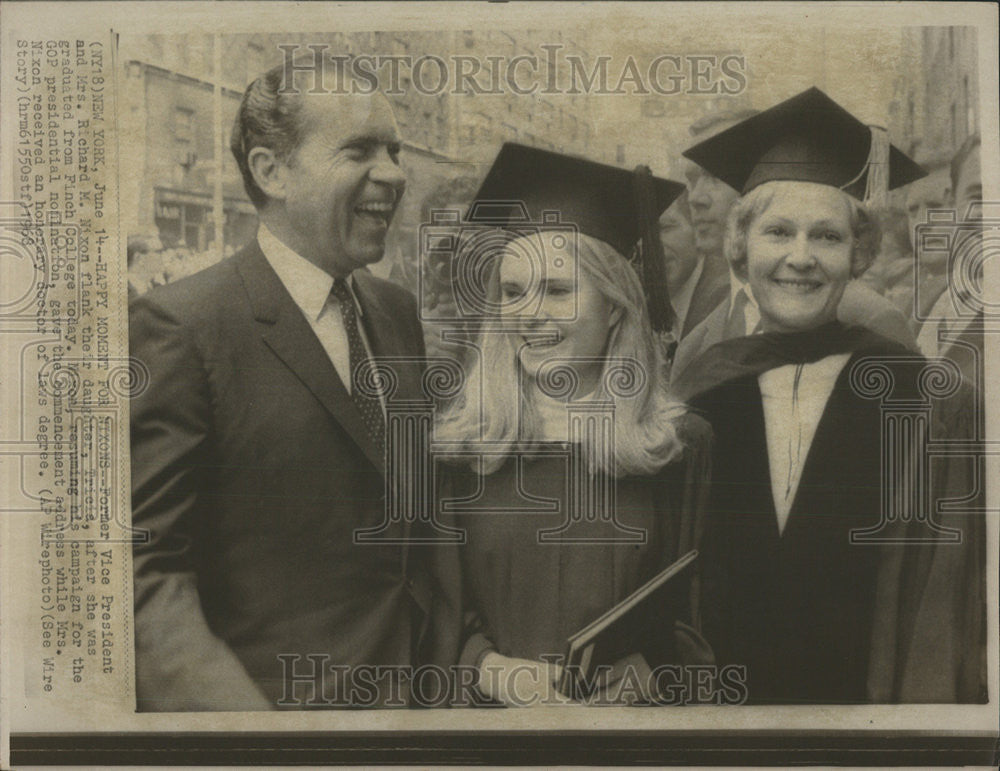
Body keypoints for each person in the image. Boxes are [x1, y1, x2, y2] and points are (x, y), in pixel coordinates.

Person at [130, 58, 434, 710]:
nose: (394, 172)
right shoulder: (182, 327)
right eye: (359, 149)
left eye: (396, 150)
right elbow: (141, 573)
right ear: (273, 172)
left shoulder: (396, 313)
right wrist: (253, 738)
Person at [674, 87, 986, 704]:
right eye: (778, 232)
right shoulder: (699, 387)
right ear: (742, 248)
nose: (800, 258)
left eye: (826, 237)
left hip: (868, 710)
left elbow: (940, 599)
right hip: (721, 709)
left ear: (858, 254)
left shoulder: (927, 399)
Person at [432, 144, 713, 706]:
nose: (530, 312)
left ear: (614, 306)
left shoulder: (677, 446)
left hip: (630, 742)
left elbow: (703, 618)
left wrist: (654, 674)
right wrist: (488, 670)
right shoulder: (461, 447)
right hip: (490, 739)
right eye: (512, 292)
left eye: (558, 290)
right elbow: (435, 616)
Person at [657, 191, 728, 344]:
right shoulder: (637, 304)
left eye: (665, 228)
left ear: (697, 231)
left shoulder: (726, 301)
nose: (649, 245)